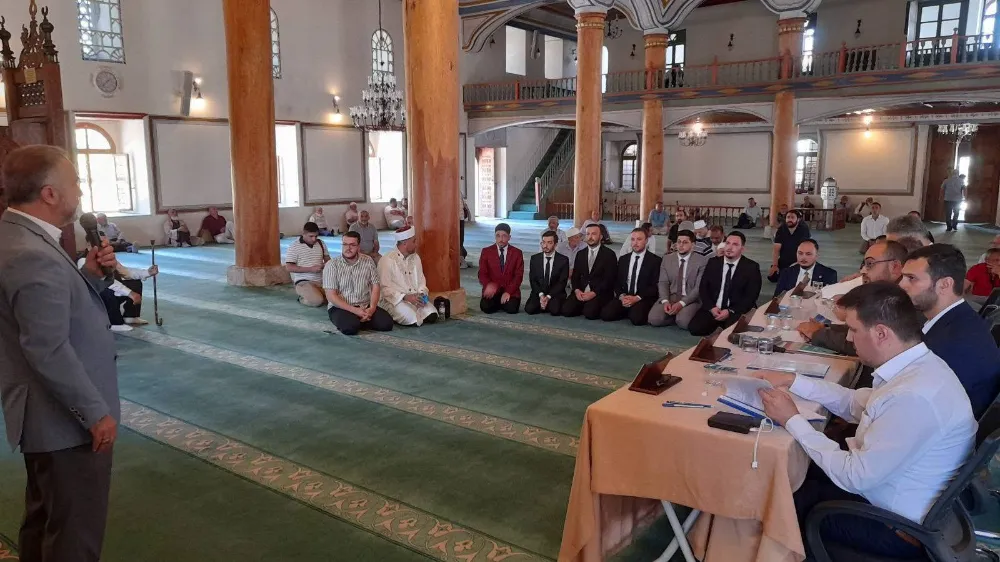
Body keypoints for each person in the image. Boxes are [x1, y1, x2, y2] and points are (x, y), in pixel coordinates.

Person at [757, 282, 975, 560]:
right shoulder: (921, 368)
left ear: (881, 333)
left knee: (778, 500)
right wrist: (794, 380)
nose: (849, 338)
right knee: (798, 473)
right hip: (893, 496)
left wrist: (792, 419)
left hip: (894, 526)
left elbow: (853, 477)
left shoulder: (913, 396)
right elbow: (855, 403)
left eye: (854, 329)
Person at [0, 145, 121, 562]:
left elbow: (52, 317)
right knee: (73, 536)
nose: (80, 192)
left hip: (46, 419)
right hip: (65, 422)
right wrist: (95, 412)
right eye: (75, 183)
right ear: (50, 194)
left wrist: (90, 276)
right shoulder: (32, 254)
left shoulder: (19, 237)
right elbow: (47, 348)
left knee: (46, 521)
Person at [900, 244, 1000, 417]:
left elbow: (912, 409)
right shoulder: (961, 319)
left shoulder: (951, 343)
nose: (901, 285)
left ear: (945, 284)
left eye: (911, 278)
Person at [797, 240, 907, 355]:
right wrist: (826, 328)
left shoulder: (901, 301)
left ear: (895, 267)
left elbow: (863, 343)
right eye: (864, 264)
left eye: (870, 264)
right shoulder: (888, 294)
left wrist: (817, 333)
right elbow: (863, 328)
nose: (863, 271)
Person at [688, 231, 762, 336]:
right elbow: (703, 288)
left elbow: (751, 296)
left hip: (736, 309)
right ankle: (720, 325)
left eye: (735, 244)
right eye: (728, 243)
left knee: (732, 333)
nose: (729, 247)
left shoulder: (751, 267)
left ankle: (724, 326)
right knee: (694, 328)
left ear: (742, 249)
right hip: (715, 308)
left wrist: (730, 311)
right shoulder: (713, 262)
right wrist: (711, 308)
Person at [322, 231, 393, 335]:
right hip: (341, 307)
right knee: (350, 328)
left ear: (359, 246)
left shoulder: (368, 261)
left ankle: (361, 318)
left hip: (364, 305)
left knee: (387, 324)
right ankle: (356, 320)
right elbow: (331, 296)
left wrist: (372, 308)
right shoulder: (332, 265)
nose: (348, 248)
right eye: (345, 244)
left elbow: (375, 286)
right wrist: (355, 311)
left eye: (352, 245)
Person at [378, 226, 438, 326]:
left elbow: (421, 281)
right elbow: (384, 289)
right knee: (412, 318)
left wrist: (421, 294)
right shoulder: (387, 260)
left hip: (415, 298)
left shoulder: (416, 257)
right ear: (405, 243)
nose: (416, 244)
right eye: (414, 241)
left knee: (432, 315)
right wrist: (405, 297)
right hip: (395, 300)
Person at [601, 228, 662, 325]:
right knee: (606, 314)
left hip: (642, 297)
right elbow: (616, 281)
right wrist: (622, 296)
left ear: (646, 241)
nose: (635, 243)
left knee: (637, 319)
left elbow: (655, 285)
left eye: (639, 239)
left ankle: (632, 311)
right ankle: (628, 309)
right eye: (633, 239)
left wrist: (636, 298)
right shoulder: (623, 259)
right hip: (625, 296)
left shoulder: (655, 261)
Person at [649, 229, 707, 330]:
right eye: (679, 242)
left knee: (683, 322)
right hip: (671, 296)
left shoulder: (702, 261)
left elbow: (698, 288)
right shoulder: (667, 259)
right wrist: (665, 301)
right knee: (654, 320)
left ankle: (678, 316)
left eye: (685, 242)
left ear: (693, 245)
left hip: (690, 299)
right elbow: (663, 282)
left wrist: (681, 304)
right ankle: (674, 316)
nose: (681, 245)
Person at [563, 224, 618, 320]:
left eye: (594, 234)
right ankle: (584, 304)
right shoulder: (580, 254)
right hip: (582, 291)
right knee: (566, 310)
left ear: (601, 237)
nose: (590, 237)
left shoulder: (609, 255)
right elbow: (575, 276)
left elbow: (609, 279)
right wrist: (577, 290)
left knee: (590, 313)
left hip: (599, 292)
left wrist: (593, 293)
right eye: (588, 234)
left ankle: (588, 306)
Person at [478, 223, 523, 314]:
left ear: (509, 237)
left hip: (510, 289)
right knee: (486, 307)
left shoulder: (517, 253)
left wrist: (508, 292)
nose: (500, 239)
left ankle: (502, 301)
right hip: (493, 290)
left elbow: (518, 276)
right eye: (498, 236)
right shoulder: (486, 251)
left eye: (504, 236)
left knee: (512, 309)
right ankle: (499, 302)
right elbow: (482, 273)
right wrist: (488, 285)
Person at [284, 222, 330, 307]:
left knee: (337, 299)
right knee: (317, 301)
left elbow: (328, 260)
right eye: (311, 236)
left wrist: (325, 265)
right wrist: (311, 269)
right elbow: (289, 267)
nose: (314, 239)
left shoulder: (321, 243)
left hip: (321, 281)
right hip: (303, 282)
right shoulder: (294, 246)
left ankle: (318, 295)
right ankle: (302, 298)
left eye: (316, 236)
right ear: (303, 234)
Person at [525, 230, 569, 316]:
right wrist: (541, 295)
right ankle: (544, 303)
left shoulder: (563, 260)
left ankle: (546, 304)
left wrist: (548, 297)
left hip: (555, 293)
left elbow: (562, 282)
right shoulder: (535, 259)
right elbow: (533, 280)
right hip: (539, 292)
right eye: (543, 242)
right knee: (529, 309)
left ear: (555, 245)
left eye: (549, 243)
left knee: (555, 311)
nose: (545, 245)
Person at [773, 239, 838, 297]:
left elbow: (831, 300)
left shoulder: (829, 274)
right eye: (800, 253)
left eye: (808, 254)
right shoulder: (787, 273)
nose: (803, 257)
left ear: (816, 255)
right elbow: (776, 298)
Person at [769, 209, 811, 282]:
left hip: (799, 260)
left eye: (792, 217)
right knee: (773, 277)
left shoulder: (803, 229)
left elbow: (805, 249)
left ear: (798, 219)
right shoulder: (781, 229)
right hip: (784, 259)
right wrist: (775, 265)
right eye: (788, 217)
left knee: (797, 278)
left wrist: (799, 263)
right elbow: (776, 249)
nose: (789, 219)